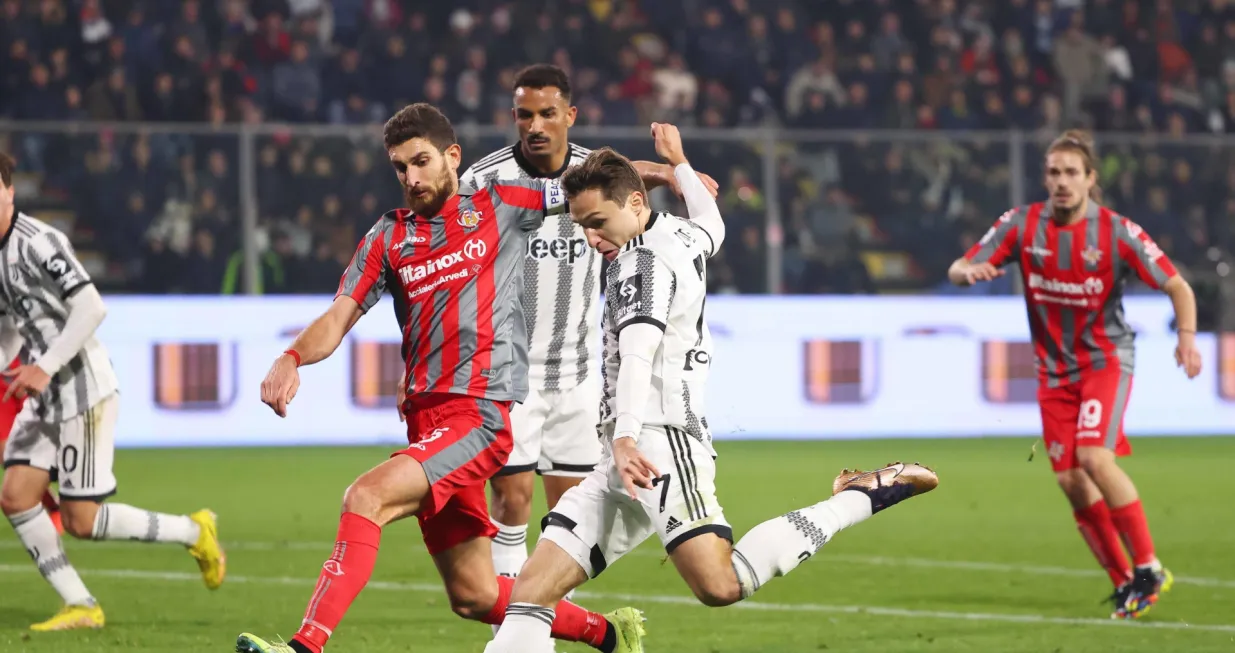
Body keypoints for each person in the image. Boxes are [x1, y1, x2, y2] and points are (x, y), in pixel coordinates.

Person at [238, 103, 673, 653]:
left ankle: (304, 647)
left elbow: (592, 185)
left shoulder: (502, 204)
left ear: (452, 157)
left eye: (420, 162)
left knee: (365, 497)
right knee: (473, 594)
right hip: (427, 423)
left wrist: (663, 174)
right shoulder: (387, 238)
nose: (411, 178)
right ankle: (609, 632)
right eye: (399, 167)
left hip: (479, 416)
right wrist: (291, 358)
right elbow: (338, 314)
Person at [483, 125, 939, 651]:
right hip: (623, 460)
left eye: (598, 223)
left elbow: (637, 354)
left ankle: (860, 496)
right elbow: (712, 220)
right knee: (531, 592)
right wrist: (678, 162)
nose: (590, 238)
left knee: (720, 584)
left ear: (634, 202)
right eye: (582, 225)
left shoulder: (641, 267)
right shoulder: (680, 234)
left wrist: (626, 437)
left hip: (660, 445)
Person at [453, 64, 717, 589]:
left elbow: (625, 176)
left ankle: (547, 620)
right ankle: (511, 629)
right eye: (525, 115)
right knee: (511, 500)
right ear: (513, 117)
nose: (535, 125)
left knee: (571, 518)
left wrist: (670, 172)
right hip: (509, 374)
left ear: (568, 116)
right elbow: (455, 276)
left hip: (579, 376)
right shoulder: (483, 182)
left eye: (547, 113)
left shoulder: (592, 179)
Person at [946, 130, 1200, 619]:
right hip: (1052, 371)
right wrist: (968, 273)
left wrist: (1186, 337)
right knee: (1070, 482)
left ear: (1090, 179)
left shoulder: (1117, 232)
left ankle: (1148, 566)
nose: (1061, 182)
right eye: (1053, 172)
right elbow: (961, 265)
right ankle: (1125, 581)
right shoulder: (1020, 225)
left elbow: (1177, 284)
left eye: (1070, 173)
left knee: (1093, 458)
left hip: (1105, 359)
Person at [0, 151, 225, 632]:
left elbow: (91, 307)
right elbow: (11, 327)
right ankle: (81, 604)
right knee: (17, 495)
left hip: (81, 389)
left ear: (10, 191)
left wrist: (43, 366)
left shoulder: (39, 242)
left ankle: (194, 530)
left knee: (82, 520)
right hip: (45, 394)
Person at [0, 355, 62, 534]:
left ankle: (68, 502)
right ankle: (52, 505)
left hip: (30, 368)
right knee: (5, 452)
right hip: (3, 376)